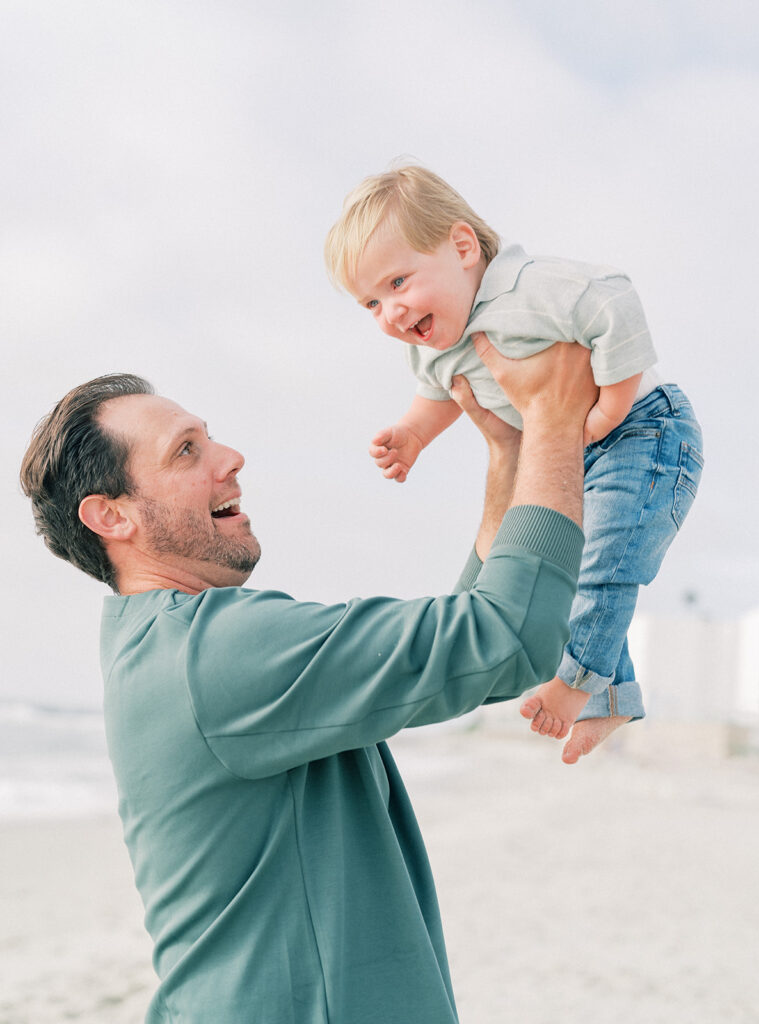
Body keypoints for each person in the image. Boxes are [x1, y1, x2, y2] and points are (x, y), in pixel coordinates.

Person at [20, 343, 593, 1024]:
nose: (229, 457)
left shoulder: (161, 643)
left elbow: (473, 656)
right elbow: (508, 637)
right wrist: (556, 422)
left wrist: (509, 462)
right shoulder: (213, 651)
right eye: (186, 451)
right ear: (113, 516)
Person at [325, 164, 704, 763]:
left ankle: (578, 685)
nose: (390, 313)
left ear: (461, 246)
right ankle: (616, 696)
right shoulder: (435, 350)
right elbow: (437, 397)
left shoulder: (526, 289)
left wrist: (607, 408)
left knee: (607, 564)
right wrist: (412, 437)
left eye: (398, 282)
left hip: (645, 429)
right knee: (569, 574)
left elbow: (615, 302)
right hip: (576, 450)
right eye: (371, 302)